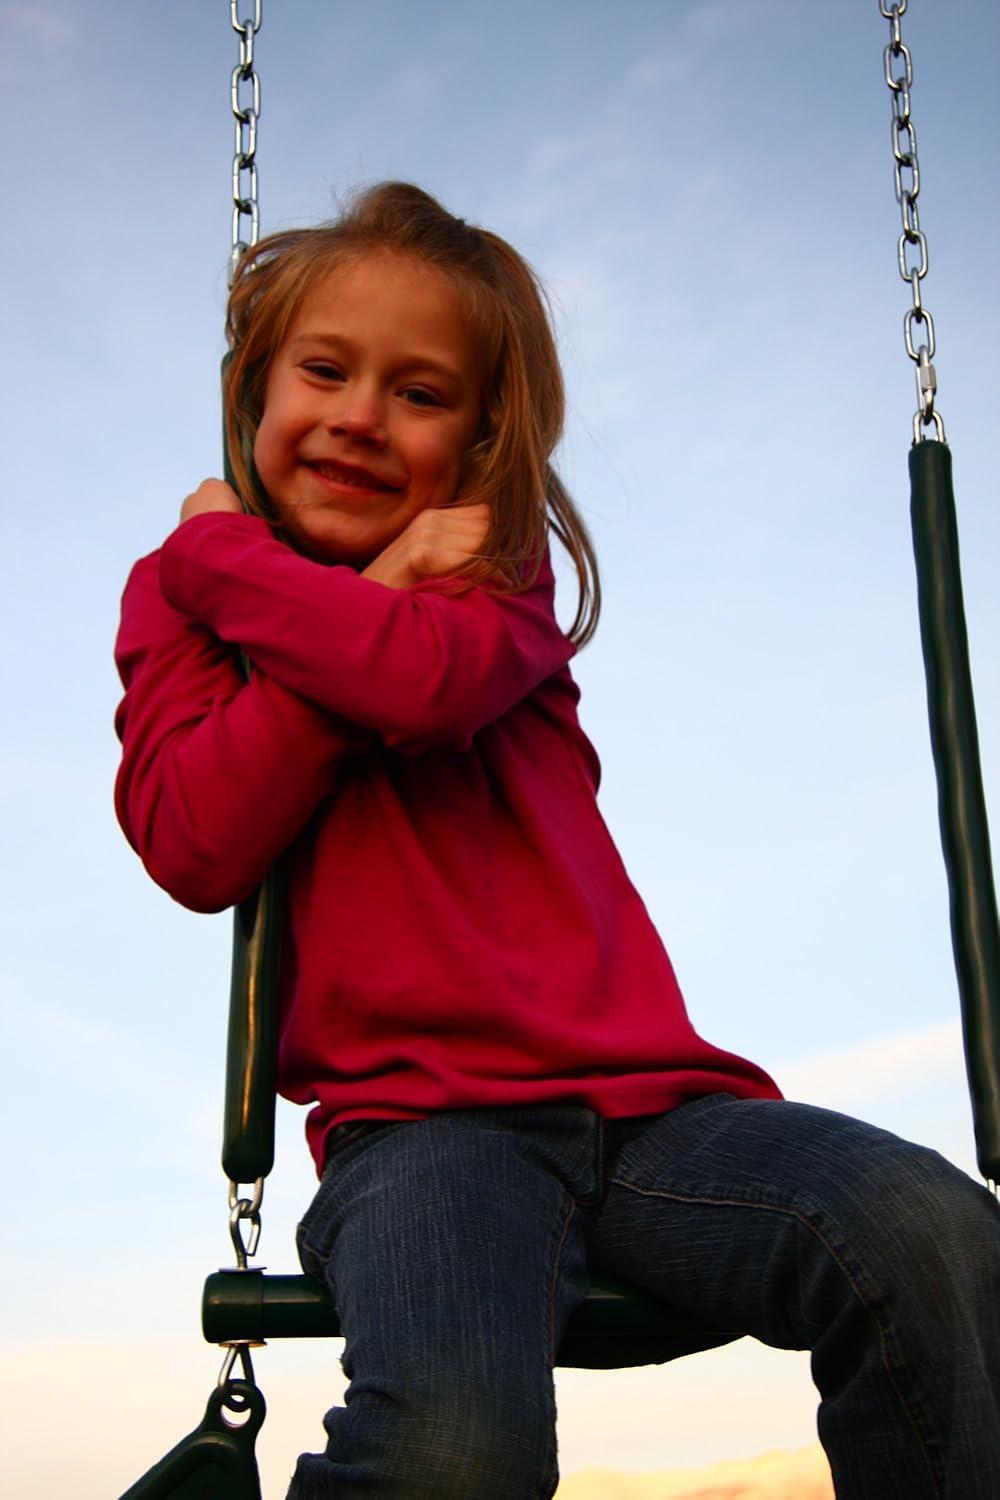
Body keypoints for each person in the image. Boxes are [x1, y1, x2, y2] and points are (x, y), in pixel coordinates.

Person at [114, 182, 999, 1500]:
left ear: (479, 443)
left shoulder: (491, 564)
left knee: (926, 1230)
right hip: (418, 1133)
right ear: (257, 387)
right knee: (456, 1449)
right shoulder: (186, 601)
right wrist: (262, 586)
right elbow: (196, 838)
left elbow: (423, 683)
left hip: (655, 1121)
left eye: (419, 393)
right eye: (325, 370)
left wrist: (224, 558)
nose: (360, 414)